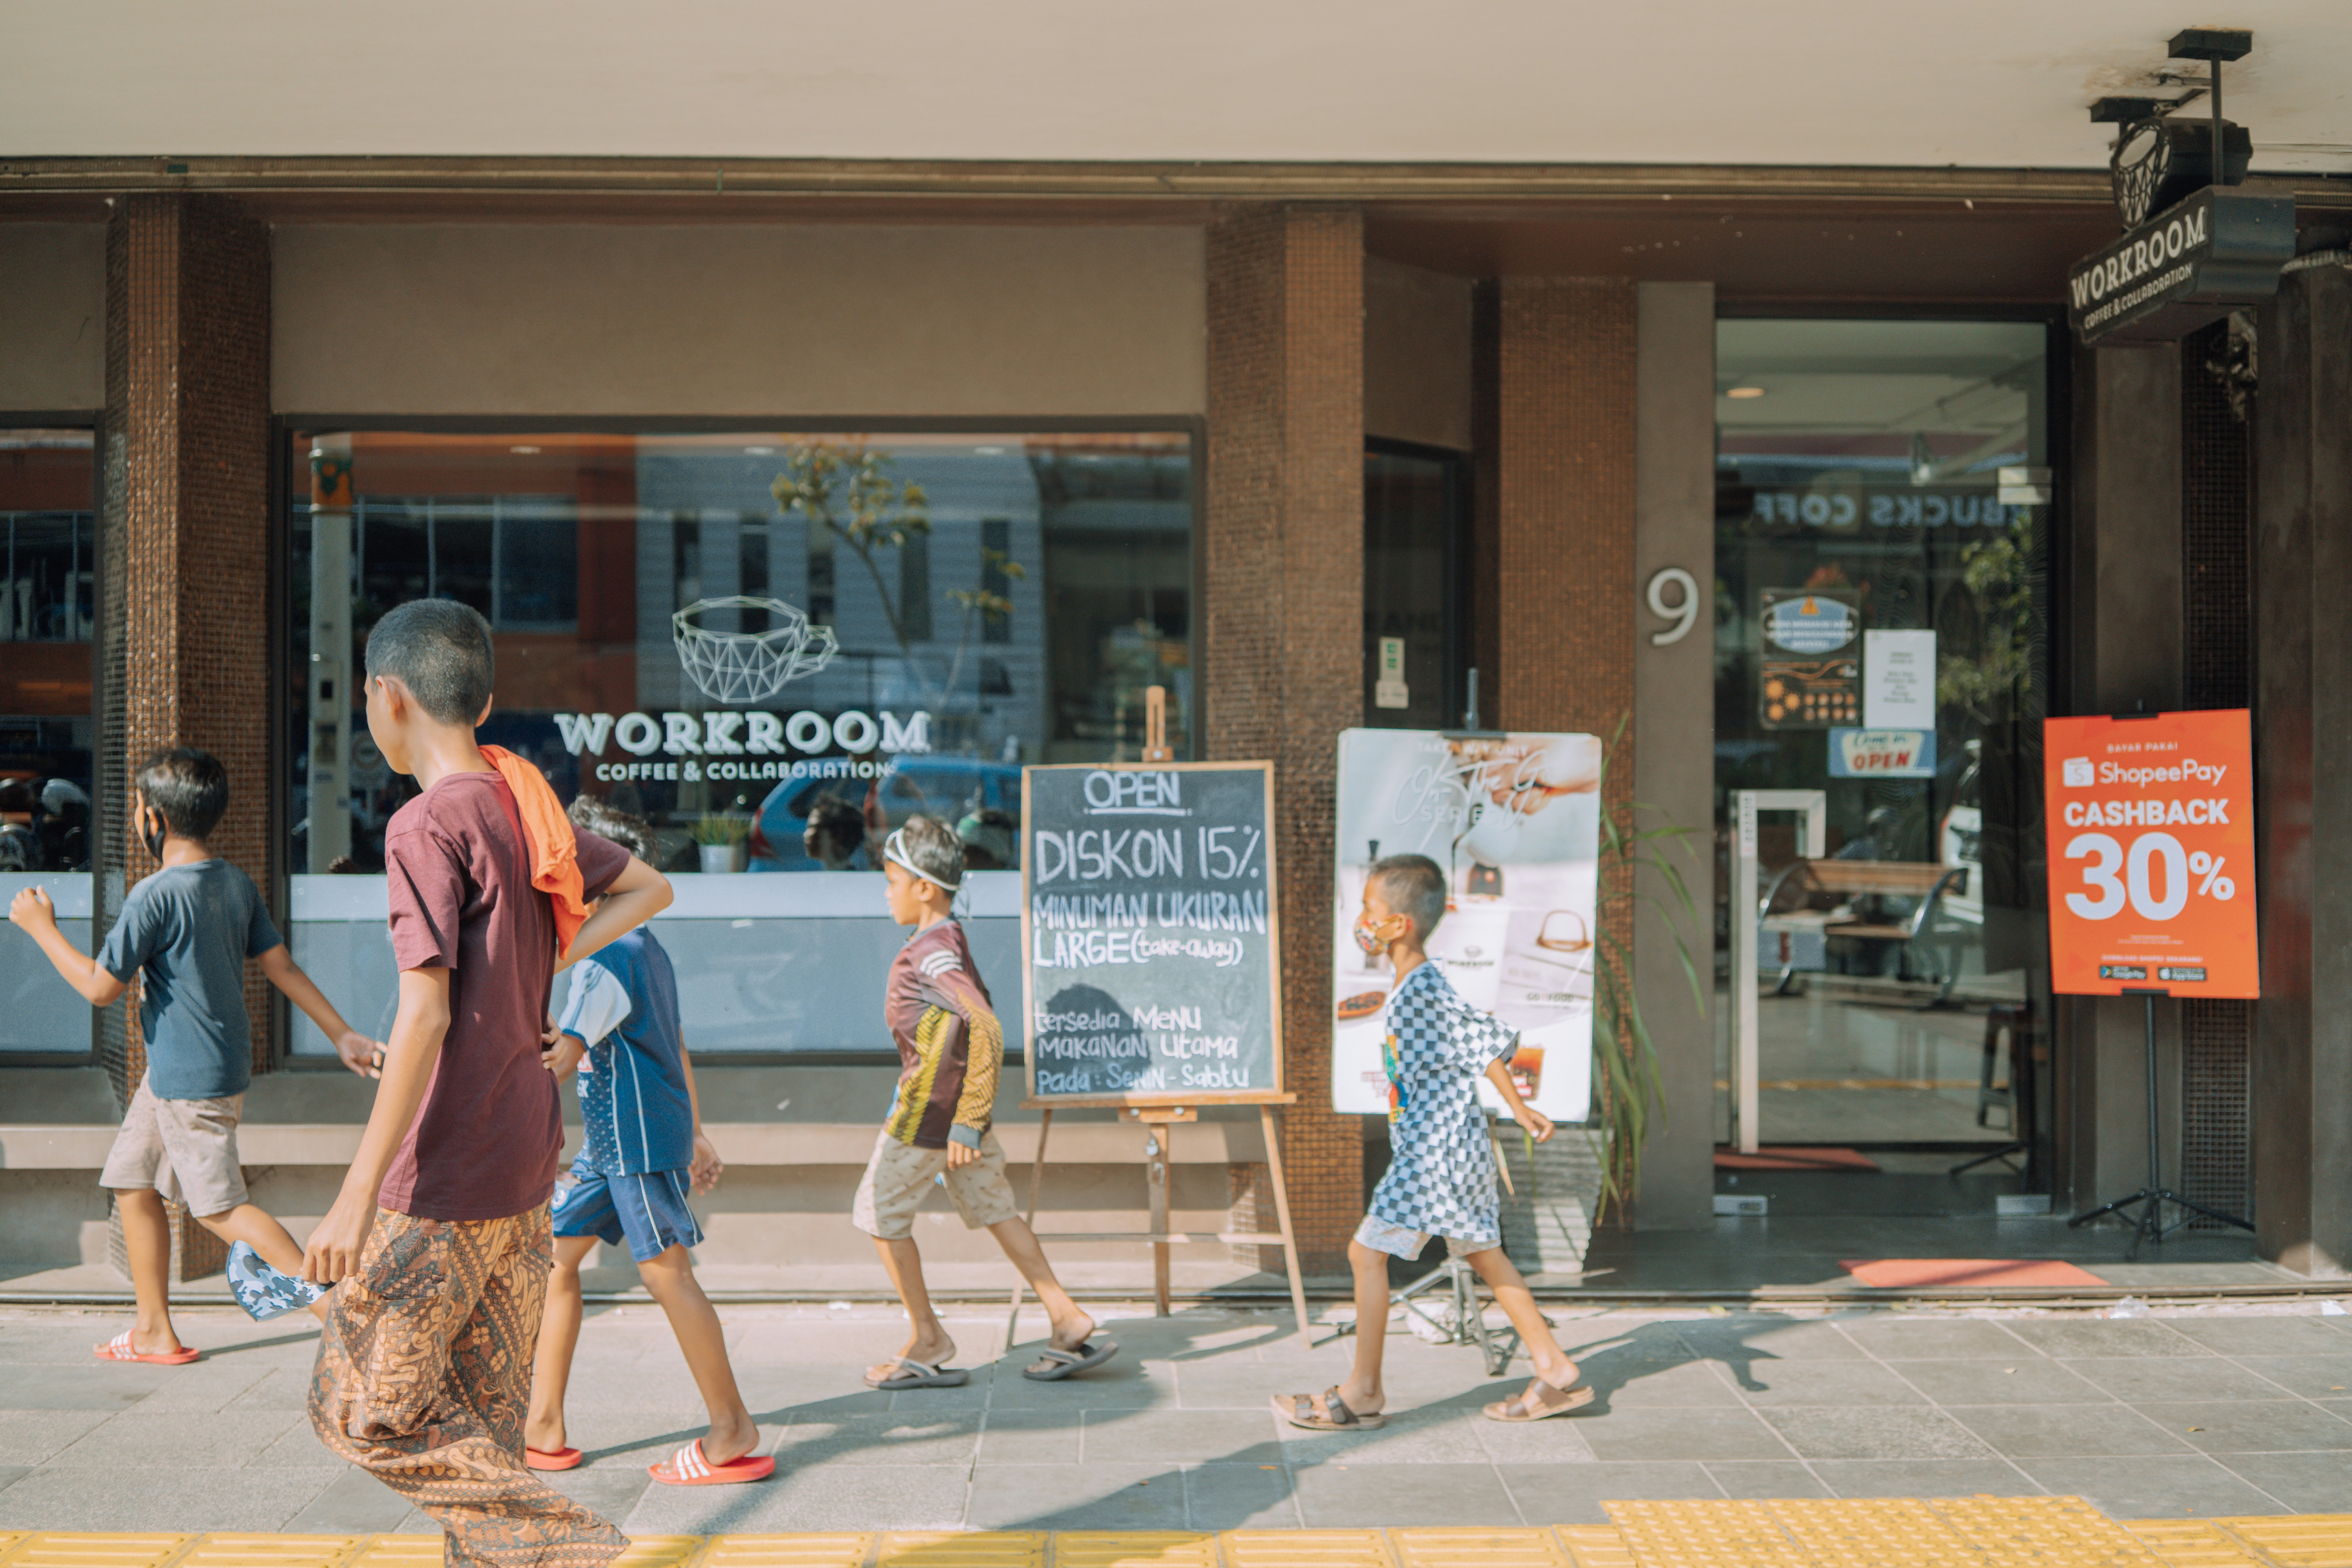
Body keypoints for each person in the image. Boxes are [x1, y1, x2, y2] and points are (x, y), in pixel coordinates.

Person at [299, 598, 672, 1568]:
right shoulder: (521, 799)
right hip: (525, 1163)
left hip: (445, 1173)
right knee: (485, 1424)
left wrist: (350, 1197)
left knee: (361, 1409)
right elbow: (648, 887)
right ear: (486, 698)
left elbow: (422, 1014)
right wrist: (549, 953)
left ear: (386, 697)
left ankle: (579, 1547)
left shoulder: (426, 823)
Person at [6, 746, 383, 1363]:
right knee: (131, 1181)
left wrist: (42, 928)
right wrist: (341, 1034)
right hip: (184, 1072)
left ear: (151, 819)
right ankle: (155, 1330)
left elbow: (102, 987)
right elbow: (281, 966)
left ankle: (338, 1312)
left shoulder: (152, 896)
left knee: (222, 1210)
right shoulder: (233, 881)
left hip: (189, 1078)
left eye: (135, 808)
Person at [1274, 852, 1591, 1431]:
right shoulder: (1414, 987)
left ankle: (1364, 1392)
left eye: (1370, 909)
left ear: (1401, 924)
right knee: (1483, 1254)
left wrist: (1520, 1109)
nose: (1361, 920)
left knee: (1365, 1254)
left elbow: (1482, 1041)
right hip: (1451, 1150)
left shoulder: (1421, 987)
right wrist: (1517, 1109)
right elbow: (1479, 1045)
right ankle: (1556, 1367)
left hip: (1434, 1156)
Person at [524, 797, 771, 1488]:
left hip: (629, 1146)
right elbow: (675, 1044)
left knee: (667, 1275)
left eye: (568, 865)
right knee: (555, 1258)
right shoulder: (649, 949)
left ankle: (732, 1429)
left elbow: (561, 1056)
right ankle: (543, 1424)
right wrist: (694, 1131)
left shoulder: (608, 957)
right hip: (619, 1146)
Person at [855, 814, 1115, 1387]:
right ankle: (1066, 1316)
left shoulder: (931, 953)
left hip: (928, 1121)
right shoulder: (946, 941)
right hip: (951, 1122)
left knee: (878, 1215)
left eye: (892, 880)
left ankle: (928, 1336)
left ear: (924, 888)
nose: (885, 891)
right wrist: (968, 1123)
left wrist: (966, 1123)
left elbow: (986, 1026)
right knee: (997, 1209)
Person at [803, 793, 865, 870]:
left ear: (837, 835)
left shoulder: (846, 879)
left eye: (814, 828)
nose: (806, 834)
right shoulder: (830, 877)